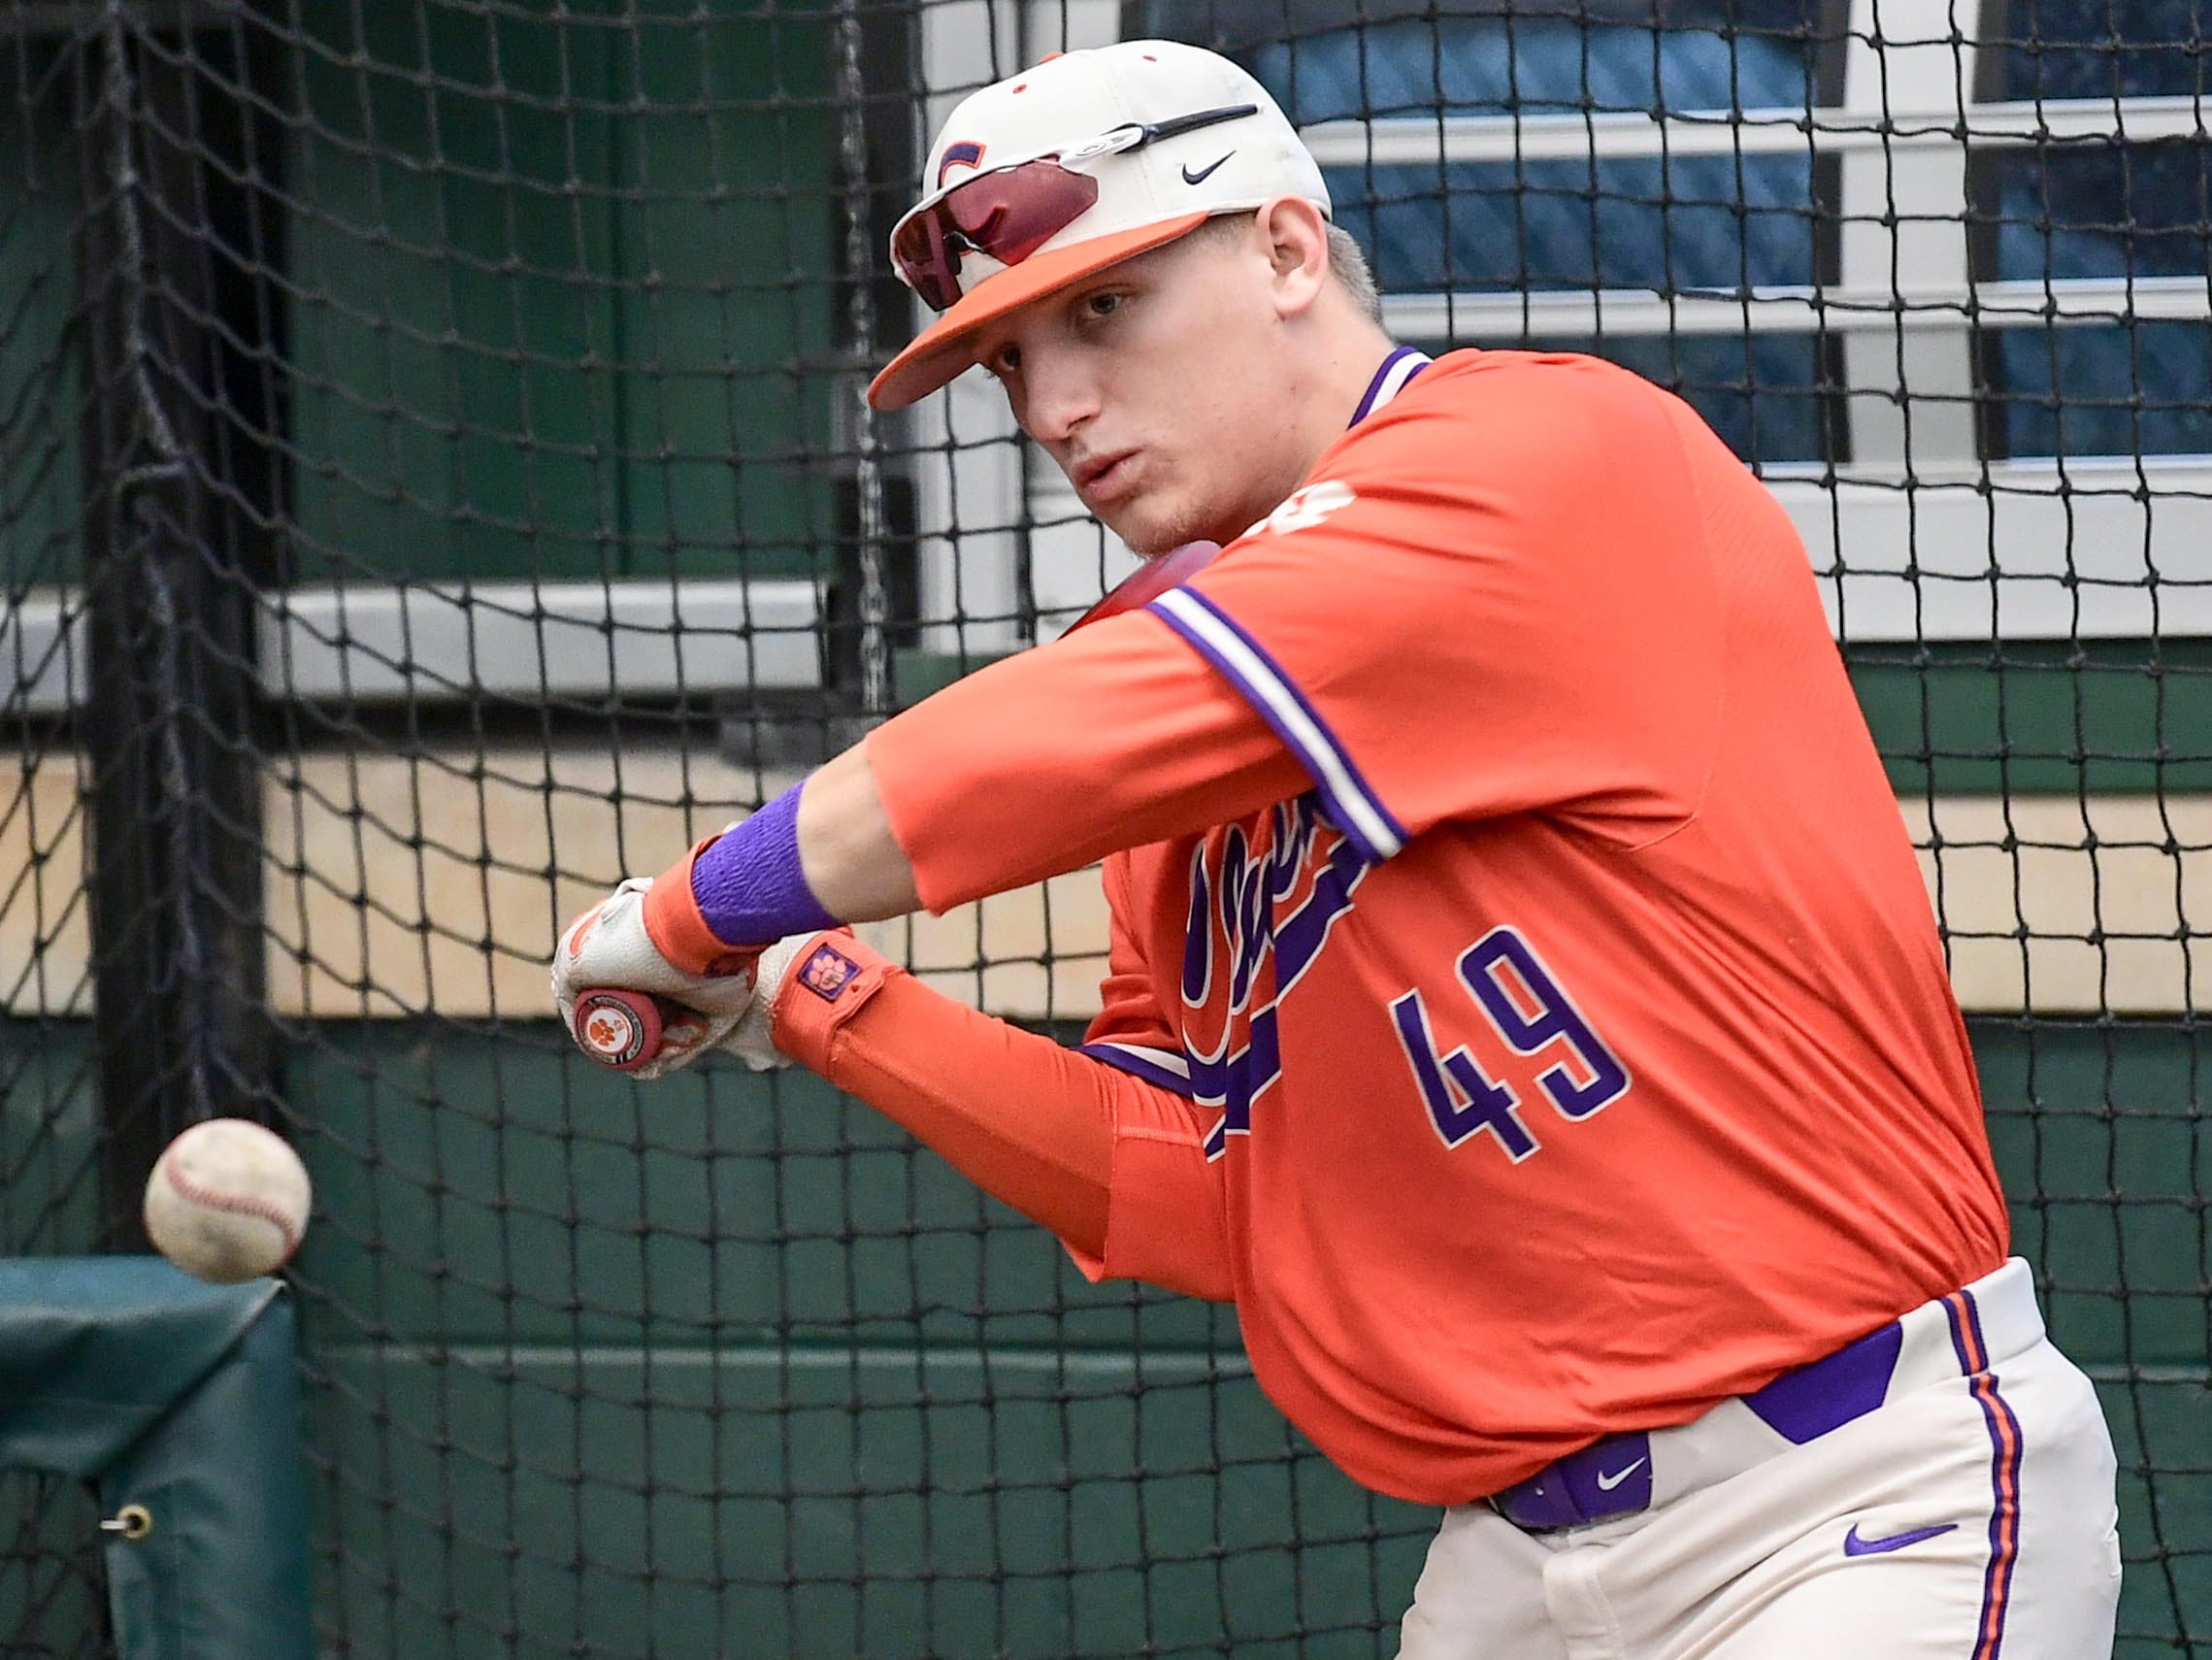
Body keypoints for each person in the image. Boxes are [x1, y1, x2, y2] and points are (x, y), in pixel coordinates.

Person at [551, 39, 2123, 1658]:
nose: (1059, 403)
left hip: (1849, 1505)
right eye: (1014, 358)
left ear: (1288, 249)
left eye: (1104, 309)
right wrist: (822, 997)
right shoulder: (1170, 736)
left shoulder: (1538, 461)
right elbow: (1197, 1172)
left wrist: (700, 905)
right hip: (1517, 1568)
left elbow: (1051, 741)